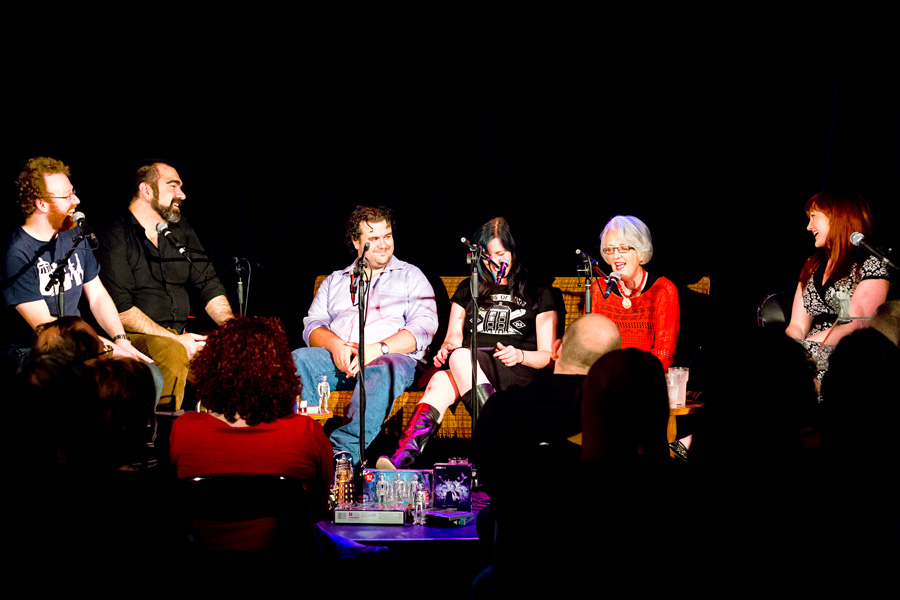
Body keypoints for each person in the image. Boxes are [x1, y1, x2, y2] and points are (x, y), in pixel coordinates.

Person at [378, 217, 558, 470]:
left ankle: (500, 440)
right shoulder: (468, 288)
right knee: (442, 377)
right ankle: (403, 458)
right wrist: (446, 350)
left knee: (461, 359)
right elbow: (453, 338)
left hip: (516, 371)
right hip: (469, 369)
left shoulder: (540, 293)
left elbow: (548, 356)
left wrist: (520, 355)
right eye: (488, 256)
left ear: (514, 252)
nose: (494, 261)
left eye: (501, 253)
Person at [292, 206, 438, 467]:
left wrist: (377, 349)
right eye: (374, 239)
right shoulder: (335, 281)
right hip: (341, 361)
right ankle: (301, 448)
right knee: (299, 359)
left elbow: (424, 327)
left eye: (388, 236)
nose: (384, 245)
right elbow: (312, 325)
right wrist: (335, 345)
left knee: (385, 367)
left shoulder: (410, 276)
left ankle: (343, 455)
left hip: (391, 359)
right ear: (356, 242)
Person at [96, 160, 234, 410]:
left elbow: (208, 284)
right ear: (146, 191)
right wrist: (177, 340)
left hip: (180, 335)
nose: (181, 194)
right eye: (173, 186)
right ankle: (160, 439)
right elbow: (121, 309)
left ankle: (222, 439)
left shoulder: (179, 229)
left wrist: (232, 328)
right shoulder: (116, 233)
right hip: (133, 337)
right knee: (171, 350)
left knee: (235, 354)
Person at [169, 317, 334, 518]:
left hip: (205, 549)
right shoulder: (306, 433)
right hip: (288, 549)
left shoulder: (184, 430)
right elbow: (318, 513)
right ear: (280, 370)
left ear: (212, 368)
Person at [2, 157, 150, 371]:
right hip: (32, 352)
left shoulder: (74, 235)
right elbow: (47, 329)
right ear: (41, 204)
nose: (77, 200)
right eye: (67, 196)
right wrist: (103, 348)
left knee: (149, 375)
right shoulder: (18, 253)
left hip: (77, 344)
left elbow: (97, 296)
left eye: (73, 191)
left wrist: (120, 340)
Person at [474, 313, 622, 491]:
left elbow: (488, 478)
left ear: (556, 348)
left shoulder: (501, 406)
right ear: (613, 364)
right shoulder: (620, 415)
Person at [783, 192, 891, 382]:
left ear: (836, 216)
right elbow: (797, 325)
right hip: (805, 357)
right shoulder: (812, 265)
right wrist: (787, 354)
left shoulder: (870, 265)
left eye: (813, 217)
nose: (808, 227)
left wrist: (802, 352)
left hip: (845, 362)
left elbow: (854, 324)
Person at [589, 215, 679, 370]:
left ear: (641, 252)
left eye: (624, 248)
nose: (616, 256)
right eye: (610, 249)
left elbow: (664, 354)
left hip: (645, 378)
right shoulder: (598, 291)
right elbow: (591, 346)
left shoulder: (663, 290)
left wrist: (628, 372)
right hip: (607, 377)